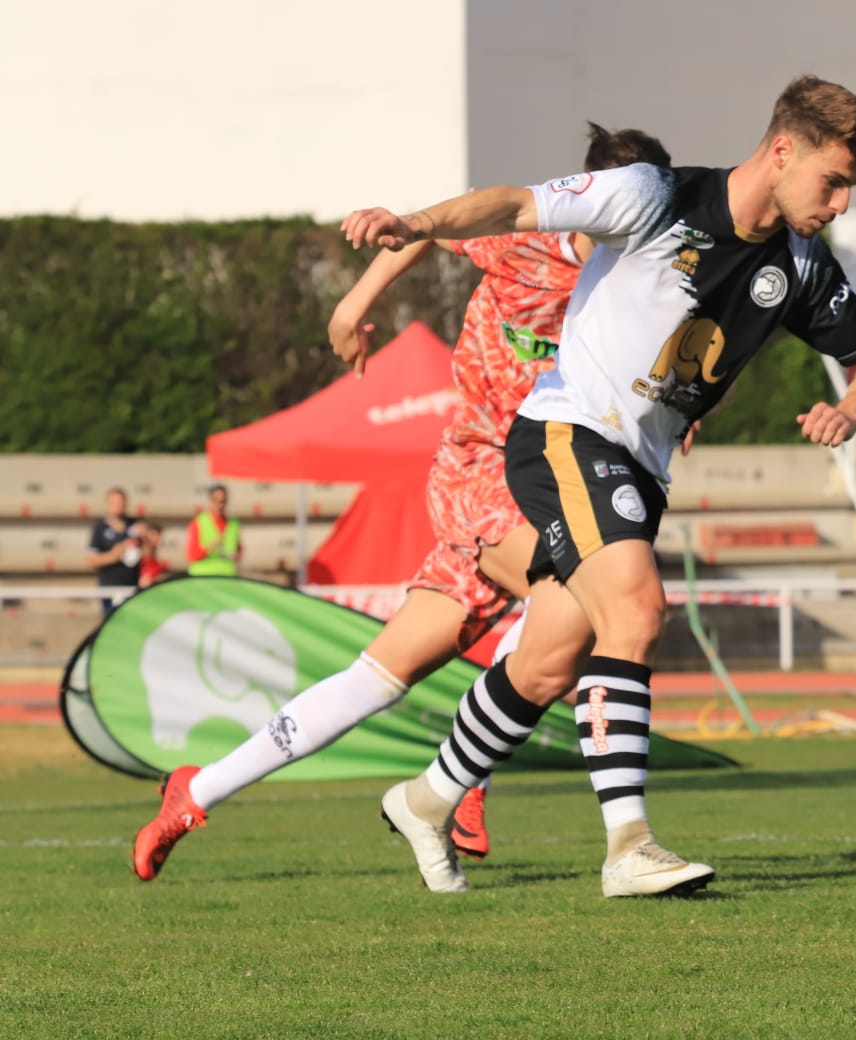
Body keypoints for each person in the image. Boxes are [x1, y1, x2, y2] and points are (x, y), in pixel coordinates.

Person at [340, 74, 856, 897]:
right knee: (636, 608)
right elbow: (511, 204)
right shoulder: (652, 194)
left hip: (640, 464)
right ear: (783, 151)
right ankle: (628, 844)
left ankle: (426, 799)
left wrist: (852, 411)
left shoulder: (804, 266)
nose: (843, 202)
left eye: (851, 186)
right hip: (567, 433)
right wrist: (416, 223)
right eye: (834, 180)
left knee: (549, 658)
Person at [132, 124, 674, 885]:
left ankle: (199, 788)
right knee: (590, 598)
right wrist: (352, 305)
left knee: (375, 679)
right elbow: (430, 230)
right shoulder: (524, 240)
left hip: (556, 480)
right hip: (484, 467)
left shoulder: (647, 278)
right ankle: (473, 783)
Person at [85, 487, 140, 617]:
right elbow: (91, 560)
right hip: (110, 589)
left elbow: (148, 553)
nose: (118, 507)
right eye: (114, 503)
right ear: (108, 505)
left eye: (121, 503)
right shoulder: (100, 528)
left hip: (133, 588)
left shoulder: (135, 525)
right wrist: (114, 555)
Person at [185, 484, 242, 576]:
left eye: (222, 501)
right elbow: (191, 555)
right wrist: (211, 546)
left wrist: (236, 556)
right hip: (203, 576)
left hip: (227, 577)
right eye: (216, 500)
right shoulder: (198, 522)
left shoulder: (234, 524)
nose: (219, 504)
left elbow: (239, 550)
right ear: (210, 501)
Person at [136, 521, 173, 587]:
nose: (156, 537)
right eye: (153, 534)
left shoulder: (158, 556)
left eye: (158, 534)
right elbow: (144, 581)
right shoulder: (141, 555)